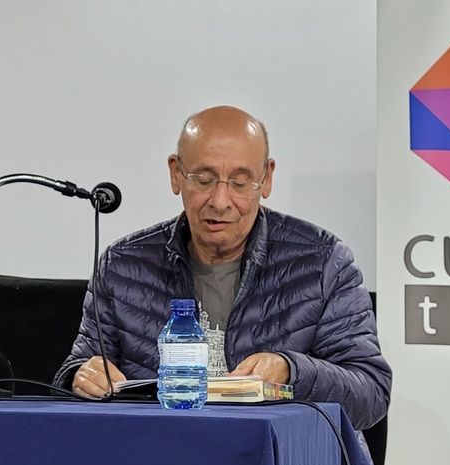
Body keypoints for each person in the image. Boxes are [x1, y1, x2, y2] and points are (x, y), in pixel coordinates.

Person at [54, 105, 390, 430]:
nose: (220, 201)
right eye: (204, 179)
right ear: (175, 174)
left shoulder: (322, 262)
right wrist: (81, 377)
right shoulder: (122, 266)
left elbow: (371, 394)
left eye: (240, 183)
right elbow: (76, 371)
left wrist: (291, 371)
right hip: (159, 449)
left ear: (266, 178)